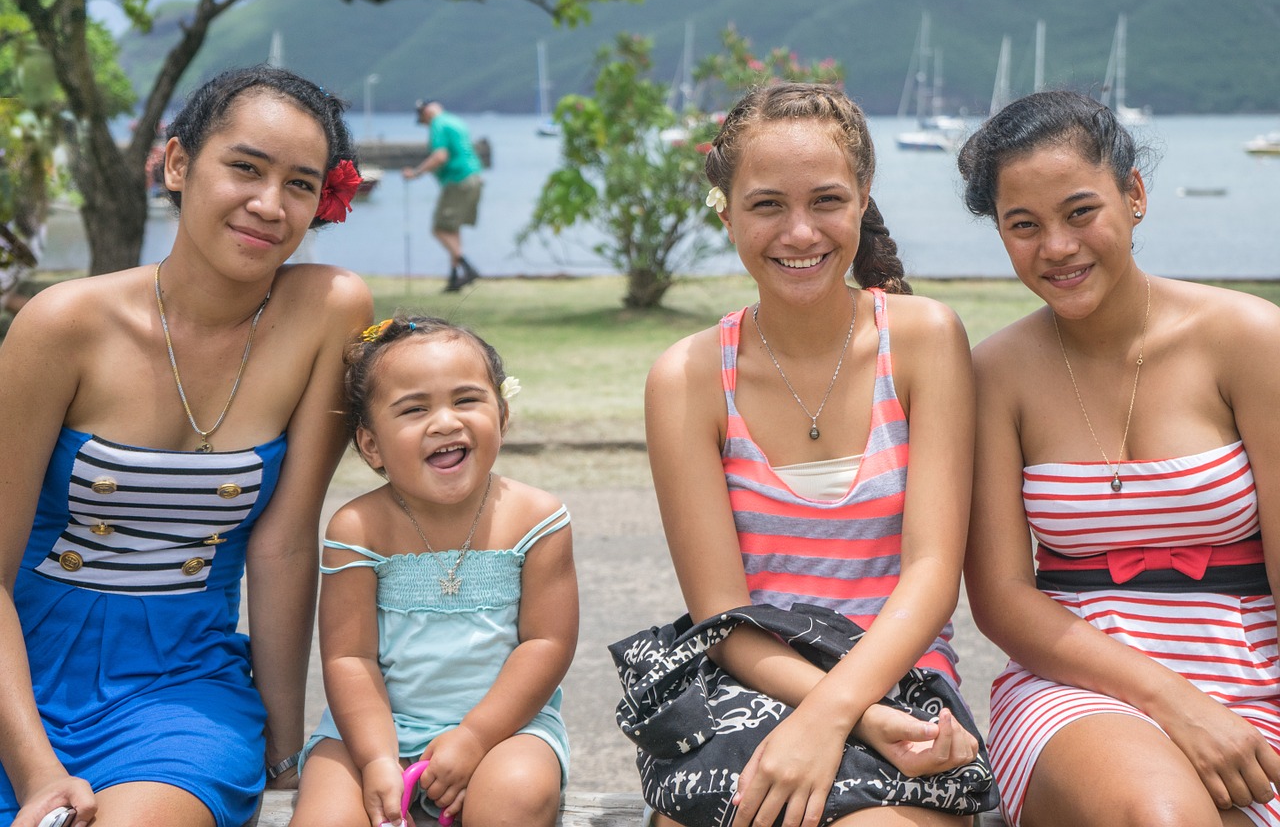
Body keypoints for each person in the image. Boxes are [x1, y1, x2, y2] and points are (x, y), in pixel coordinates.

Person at [0, 65, 373, 827]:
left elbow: (283, 543)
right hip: (17, 677)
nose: (269, 205)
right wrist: (35, 769)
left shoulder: (329, 311)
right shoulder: (62, 325)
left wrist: (283, 749)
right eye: (244, 167)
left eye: (300, 185)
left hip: (181, 687)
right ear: (177, 164)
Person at [644, 82, 981, 827]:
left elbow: (931, 575)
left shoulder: (924, 341)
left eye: (826, 200)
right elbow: (723, 615)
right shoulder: (687, 379)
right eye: (767, 205)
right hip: (749, 687)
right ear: (725, 211)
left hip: (904, 683)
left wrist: (843, 713)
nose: (800, 232)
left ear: (864, 197)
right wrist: (833, 714)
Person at [957, 90, 1280, 827]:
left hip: (1253, 687)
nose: (1058, 248)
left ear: (1133, 195)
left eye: (1080, 212)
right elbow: (1003, 601)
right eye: (1024, 226)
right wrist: (1173, 700)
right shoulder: (994, 376)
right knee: (1161, 816)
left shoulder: (1248, 339)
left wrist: (1219, 709)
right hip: (1077, 696)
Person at [291, 315, 577, 827]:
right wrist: (378, 757)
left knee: (514, 797)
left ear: (502, 414)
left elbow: (546, 643)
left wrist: (474, 737)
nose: (445, 422)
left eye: (466, 400)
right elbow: (350, 657)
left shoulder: (536, 517)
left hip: (505, 728)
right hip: (370, 729)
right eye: (414, 409)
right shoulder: (358, 527)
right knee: (324, 818)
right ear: (371, 445)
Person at [402, 100, 484, 292]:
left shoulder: (438, 124)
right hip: (473, 178)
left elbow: (440, 156)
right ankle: (455, 278)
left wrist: (415, 173)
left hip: (458, 180)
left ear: (427, 112)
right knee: (452, 229)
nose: (425, 125)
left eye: (423, 119)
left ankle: (467, 267)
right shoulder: (454, 121)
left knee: (439, 229)